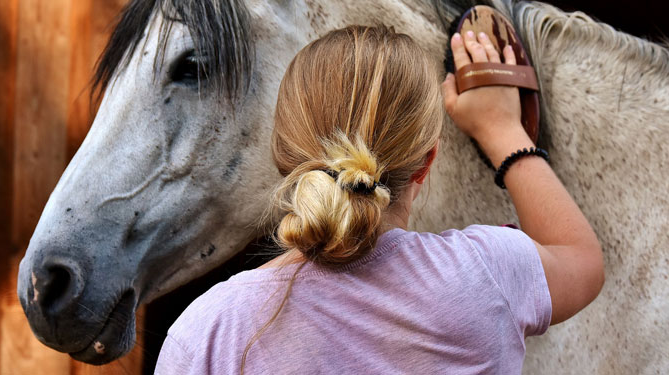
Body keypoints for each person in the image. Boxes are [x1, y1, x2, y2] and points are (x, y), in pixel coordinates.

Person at [155, 24, 604, 374]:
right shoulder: (486, 273)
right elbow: (581, 260)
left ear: (283, 157)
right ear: (427, 162)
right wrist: (501, 130)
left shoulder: (208, 334)